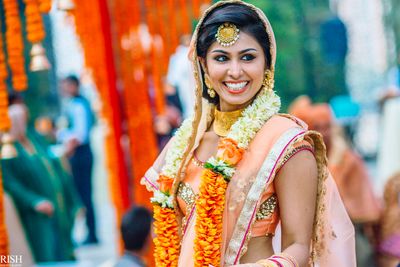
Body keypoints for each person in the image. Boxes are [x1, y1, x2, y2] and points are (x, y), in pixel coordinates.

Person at [141, 1, 355, 266]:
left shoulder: (285, 142)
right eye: (221, 58)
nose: (235, 71)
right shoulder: (183, 145)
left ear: (267, 62)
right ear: (204, 66)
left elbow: (300, 245)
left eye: (248, 57)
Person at [289, 96, 381, 267]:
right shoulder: (301, 158)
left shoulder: (348, 159)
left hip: (350, 228)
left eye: (327, 127)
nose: (324, 133)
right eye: (318, 127)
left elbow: (362, 204)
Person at [1, 102, 81, 262]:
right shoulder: (8, 149)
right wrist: (34, 201)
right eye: (18, 121)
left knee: (63, 250)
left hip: (56, 204)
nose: (22, 124)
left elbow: (52, 160)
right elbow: (11, 184)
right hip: (36, 215)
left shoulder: (34, 139)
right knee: (45, 254)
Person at [57, 74, 98, 244]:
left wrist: (64, 139)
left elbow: (80, 134)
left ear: (74, 86)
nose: (65, 89)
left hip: (81, 154)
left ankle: (92, 233)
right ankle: (90, 232)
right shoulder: (74, 104)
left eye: (67, 85)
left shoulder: (79, 105)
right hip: (80, 153)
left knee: (84, 193)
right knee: (82, 193)